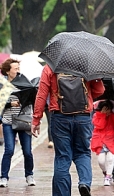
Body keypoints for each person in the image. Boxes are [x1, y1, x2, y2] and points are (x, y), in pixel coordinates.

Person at [30, 64, 105, 196]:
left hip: (60, 117)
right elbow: (100, 90)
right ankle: (84, 183)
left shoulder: (50, 67)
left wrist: (36, 119)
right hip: (83, 117)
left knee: (62, 157)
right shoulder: (87, 65)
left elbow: (41, 94)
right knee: (82, 153)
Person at [0, 58, 36, 187]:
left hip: (23, 121)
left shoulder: (25, 82)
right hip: (8, 122)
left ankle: (29, 175)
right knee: (9, 149)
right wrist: (10, 103)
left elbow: (33, 101)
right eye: (15, 69)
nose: (18, 71)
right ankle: (3, 177)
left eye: (18, 68)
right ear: (8, 72)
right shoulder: (3, 85)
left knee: (27, 151)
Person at [91, 100, 114, 186]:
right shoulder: (96, 115)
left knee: (110, 159)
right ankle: (105, 172)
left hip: (110, 140)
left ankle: (108, 176)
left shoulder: (112, 116)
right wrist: (102, 115)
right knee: (101, 161)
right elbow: (100, 125)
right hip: (100, 141)